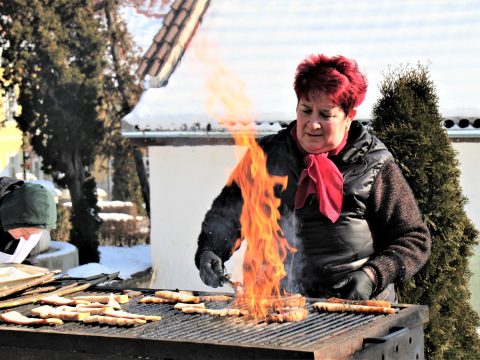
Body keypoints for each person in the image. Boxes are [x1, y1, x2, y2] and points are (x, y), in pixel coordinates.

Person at [195, 54, 431, 301]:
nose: (312, 124)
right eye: (306, 110)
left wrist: (373, 275)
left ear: (349, 117)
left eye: (326, 115)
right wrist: (211, 250)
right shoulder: (264, 155)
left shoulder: (374, 163)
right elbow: (227, 214)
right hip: (272, 306)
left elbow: (413, 238)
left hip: (351, 307)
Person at [0, 176, 57, 261]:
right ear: (14, 216)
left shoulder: (33, 234)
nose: (26, 238)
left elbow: (28, 262)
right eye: (24, 231)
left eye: (32, 234)